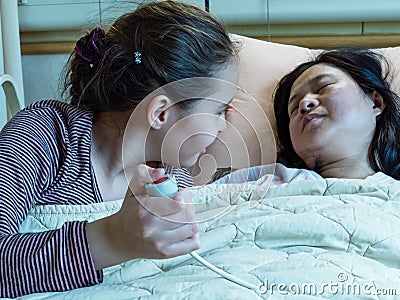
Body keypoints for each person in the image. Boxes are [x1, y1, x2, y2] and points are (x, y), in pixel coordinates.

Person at [0, 1, 239, 297]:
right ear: (161, 113)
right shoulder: (46, 135)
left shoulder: (172, 176)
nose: (223, 126)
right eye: (218, 110)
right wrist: (113, 238)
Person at [214, 48, 400, 186]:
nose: (305, 104)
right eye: (294, 108)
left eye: (323, 87)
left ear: (375, 102)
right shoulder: (255, 184)